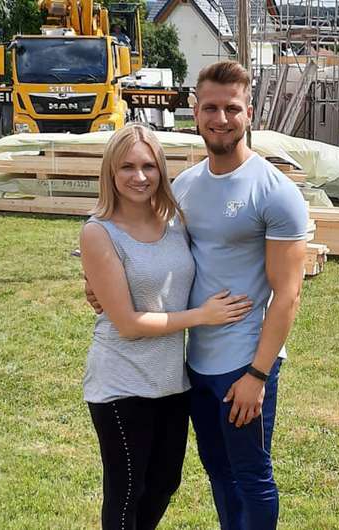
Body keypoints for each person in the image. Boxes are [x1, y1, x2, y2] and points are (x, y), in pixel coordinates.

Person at [88, 60, 308, 529]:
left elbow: (288, 295)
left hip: (243, 362)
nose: (221, 119)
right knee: (218, 472)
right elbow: (146, 246)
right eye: (210, 108)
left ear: (249, 112)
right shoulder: (185, 187)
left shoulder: (275, 192)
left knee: (251, 476)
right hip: (194, 365)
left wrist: (257, 374)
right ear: (195, 109)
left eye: (232, 108)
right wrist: (99, 284)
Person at [80, 123, 254, 530]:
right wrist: (201, 316)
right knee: (127, 492)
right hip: (122, 382)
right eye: (127, 167)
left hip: (171, 383)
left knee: (163, 484)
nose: (139, 177)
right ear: (110, 172)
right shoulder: (99, 231)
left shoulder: (175, 222)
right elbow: (127, 323)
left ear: (161, 169)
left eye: (148, 166)